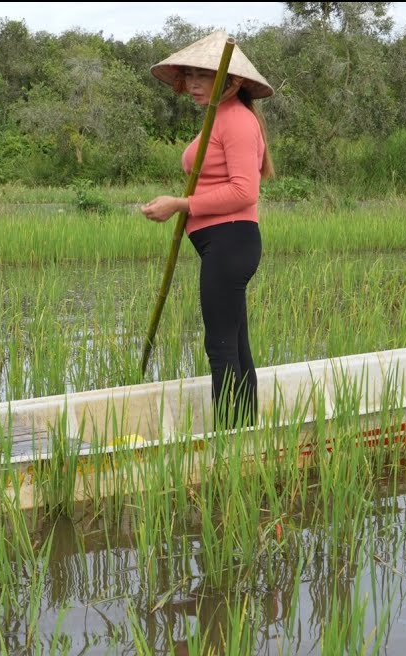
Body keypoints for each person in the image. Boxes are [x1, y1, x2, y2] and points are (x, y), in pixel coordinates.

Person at [141, 31, 275, 428]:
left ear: (231, 81)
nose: (194, 85)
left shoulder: (236, 121)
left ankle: (231, 440)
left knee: (220, 346)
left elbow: (243, 191)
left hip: (231, 241)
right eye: (190, 76)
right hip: (223, 243)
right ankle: (245, 429)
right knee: (234, 343)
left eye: (204, 76)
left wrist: (179, 205)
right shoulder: (220, 118)